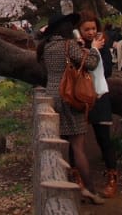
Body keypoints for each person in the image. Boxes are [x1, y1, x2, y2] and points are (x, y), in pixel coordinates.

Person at [37, 11, 104, 204]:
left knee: (56, 143)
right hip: (69, 96)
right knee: (78, 146)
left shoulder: (46, 47)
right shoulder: (69, 45)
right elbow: (90, 64)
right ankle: (89, 189)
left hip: (52, 96)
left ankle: (61, 182)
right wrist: (93, 49)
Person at [75, 13, 118, 199]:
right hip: (80, 96)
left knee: (104, 139)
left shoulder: (103, 44)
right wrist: (91, 50)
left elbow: (107, 70)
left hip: (99, 94)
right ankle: (78, 177)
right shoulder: (76, 45)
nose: (91, 32)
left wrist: (98, 51)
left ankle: (112, 177)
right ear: (80, 30)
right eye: (87, 29)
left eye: (93, 28)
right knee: (76, 140)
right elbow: (80, 67)